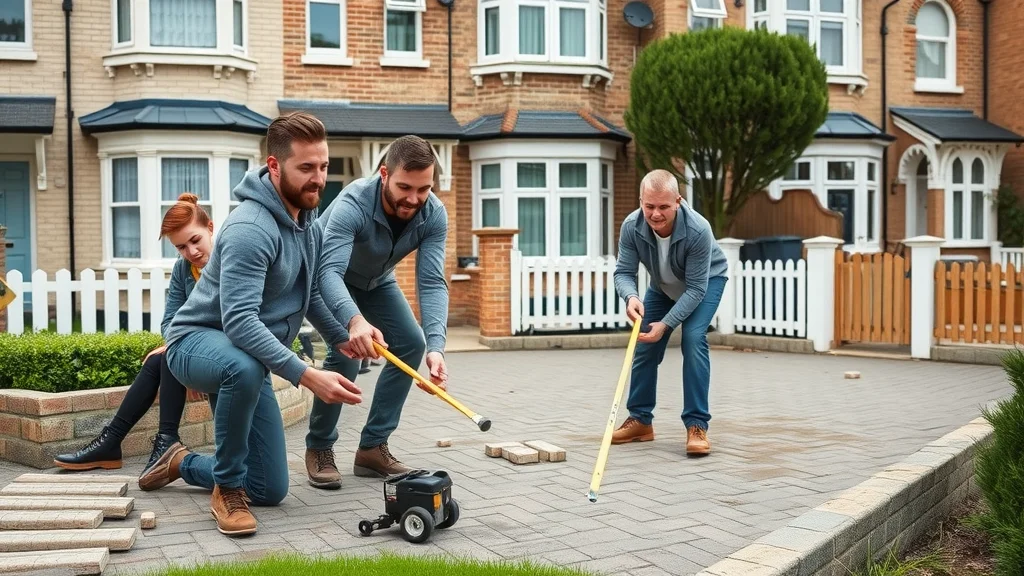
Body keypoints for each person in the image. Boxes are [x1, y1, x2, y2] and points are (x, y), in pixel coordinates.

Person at [139, 112, 362, 537]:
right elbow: (239, 322)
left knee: (270, 487)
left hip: (246, 356)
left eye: (324, 166)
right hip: (196, 343)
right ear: (275, 166)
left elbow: (308, 291)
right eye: (306, 168)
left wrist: (342, 336)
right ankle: (225, 488)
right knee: (240, 367)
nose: (319, 178)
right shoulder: (250, 228)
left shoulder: (306, 221)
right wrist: (307, 374)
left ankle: (179, 461)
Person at [304, 135, 449, 489]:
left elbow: (431, 282)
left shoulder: (433, 214)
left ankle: (372, 448)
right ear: (384, 174)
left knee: (412, 344)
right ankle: (319, 447)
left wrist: (436, 347)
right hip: (324, 280)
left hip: (377, 283)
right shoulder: (354, 201)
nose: (413, 199)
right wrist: (354, 322)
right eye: (404, 187)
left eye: (423, 189)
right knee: (348, 353)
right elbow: (328, 273)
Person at [54, 193, 214, 479]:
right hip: (194, 350)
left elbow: (231, 321)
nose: (191, 252)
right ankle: (133, 442)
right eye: (181, 247)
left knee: (164, 358)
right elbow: (171, 320)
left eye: (195, 240)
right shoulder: (183, 269)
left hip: (224, 354)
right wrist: (179, 351)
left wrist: (185, 356)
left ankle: (129, 442)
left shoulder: (230, 263)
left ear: (210, 228)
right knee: (163, 358)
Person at [611, 169, 729, 455]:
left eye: (664, 206)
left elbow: (695, 290)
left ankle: (697, 425)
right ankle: (640, 420)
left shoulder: (698, 229)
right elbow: (624, 272)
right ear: (641, 201)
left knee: (693, 337)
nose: (655, 214)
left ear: (678, 201)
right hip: (663, 287)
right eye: (649, 206)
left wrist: (665, 324)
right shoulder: (631, 225)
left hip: (705, 283)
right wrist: (631, 297)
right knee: (644, 344)